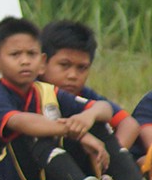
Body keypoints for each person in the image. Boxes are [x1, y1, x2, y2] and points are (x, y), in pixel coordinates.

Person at [0, 16, 152, 180]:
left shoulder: (48, 91)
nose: (24, 61)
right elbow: (25, 123)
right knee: (38, 132)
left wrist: (86, 118)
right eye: (15, 55)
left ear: (41, 60)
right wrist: (80, 135)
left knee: (95, 121)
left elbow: (106, 110)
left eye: (31, 54)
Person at [39, 20, 142, 159]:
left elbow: (129, 124)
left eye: (82, 68)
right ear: (42, 62)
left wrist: (110, 157)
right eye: (64, 65)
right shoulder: (31, 91)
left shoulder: (84, 94)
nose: (73, 75)